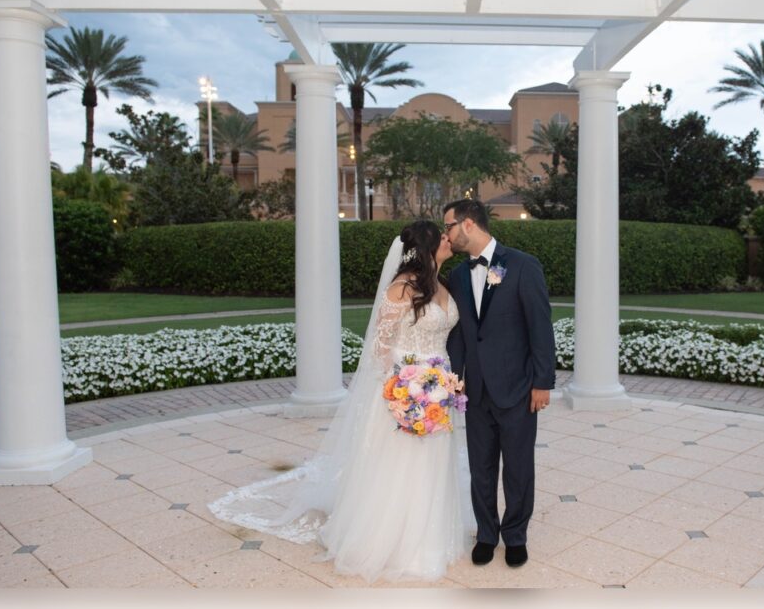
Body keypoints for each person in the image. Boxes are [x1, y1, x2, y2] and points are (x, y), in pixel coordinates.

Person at [209, 221, 473, 583]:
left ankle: (432, 538)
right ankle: (392, 544)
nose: (448, 239)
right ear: (426, 248)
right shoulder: (401, 289)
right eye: (441, 236)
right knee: (403, 468)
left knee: (434, 463)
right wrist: (404, 390)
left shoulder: (442, 284)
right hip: (406, 392)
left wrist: (442, 384)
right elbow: (381, 349)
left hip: (440, 391)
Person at [443, 199, 556, 569]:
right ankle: (487, 535)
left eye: (450, 227)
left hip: (518, 388)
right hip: (474, 391)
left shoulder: (523, 265)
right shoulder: (458, 276)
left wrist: (543, 382)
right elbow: (460, 334)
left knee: (519, 467)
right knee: (481, 467)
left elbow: (540, 328)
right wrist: (455, 378)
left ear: (469, 223)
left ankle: (516, 536)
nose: (447, 234)